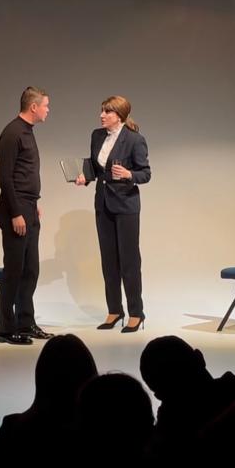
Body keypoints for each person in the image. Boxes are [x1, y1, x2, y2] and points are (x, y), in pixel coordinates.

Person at [76, 95, 151, 332]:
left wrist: (129, 174)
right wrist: (85, 177)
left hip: (126, 205)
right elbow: (95, 166)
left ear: (119, 116)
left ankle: (136, 313)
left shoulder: (135, 140)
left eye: (107, 112)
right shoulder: (97, 135)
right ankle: (114, 310)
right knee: (109, 260)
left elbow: (146, 173)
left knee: (129, 261)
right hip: (103, 204)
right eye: (102, 111)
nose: (102, 115)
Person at [0, 86, 53, 344]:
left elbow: (25, 173)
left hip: (29, 207)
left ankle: (25, 323)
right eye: (46, 106)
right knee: (14, 270)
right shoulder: (12, 133)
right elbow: (6, 178)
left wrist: (33, 203)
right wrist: (16, 212)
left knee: (30, 269)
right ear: (33, 107)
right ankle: (6, 330)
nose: (48, 110)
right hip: (15, 209)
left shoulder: (28, 131)